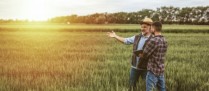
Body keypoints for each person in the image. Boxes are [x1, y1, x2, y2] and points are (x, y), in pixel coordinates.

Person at [107, 18, 153, 91]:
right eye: (141, 27)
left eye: (145, 27)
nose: (142, 29)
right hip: (134, 67)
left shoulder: (154, 39)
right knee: (131, 87)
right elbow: (126, 41)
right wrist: (115, 36)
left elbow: (158, 53)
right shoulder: (137, 37)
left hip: (147, 69)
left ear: (150, 27)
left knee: (148, 88)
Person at [139, 21, 168, 91]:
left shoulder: (153, 40)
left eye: (151, 28)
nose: (150, 29)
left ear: (153, 29)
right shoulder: (164, 40)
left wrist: (140, 55)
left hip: (153, 70)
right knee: (162, 89)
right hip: (161, 69)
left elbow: (145, 54)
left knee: (150, 89)